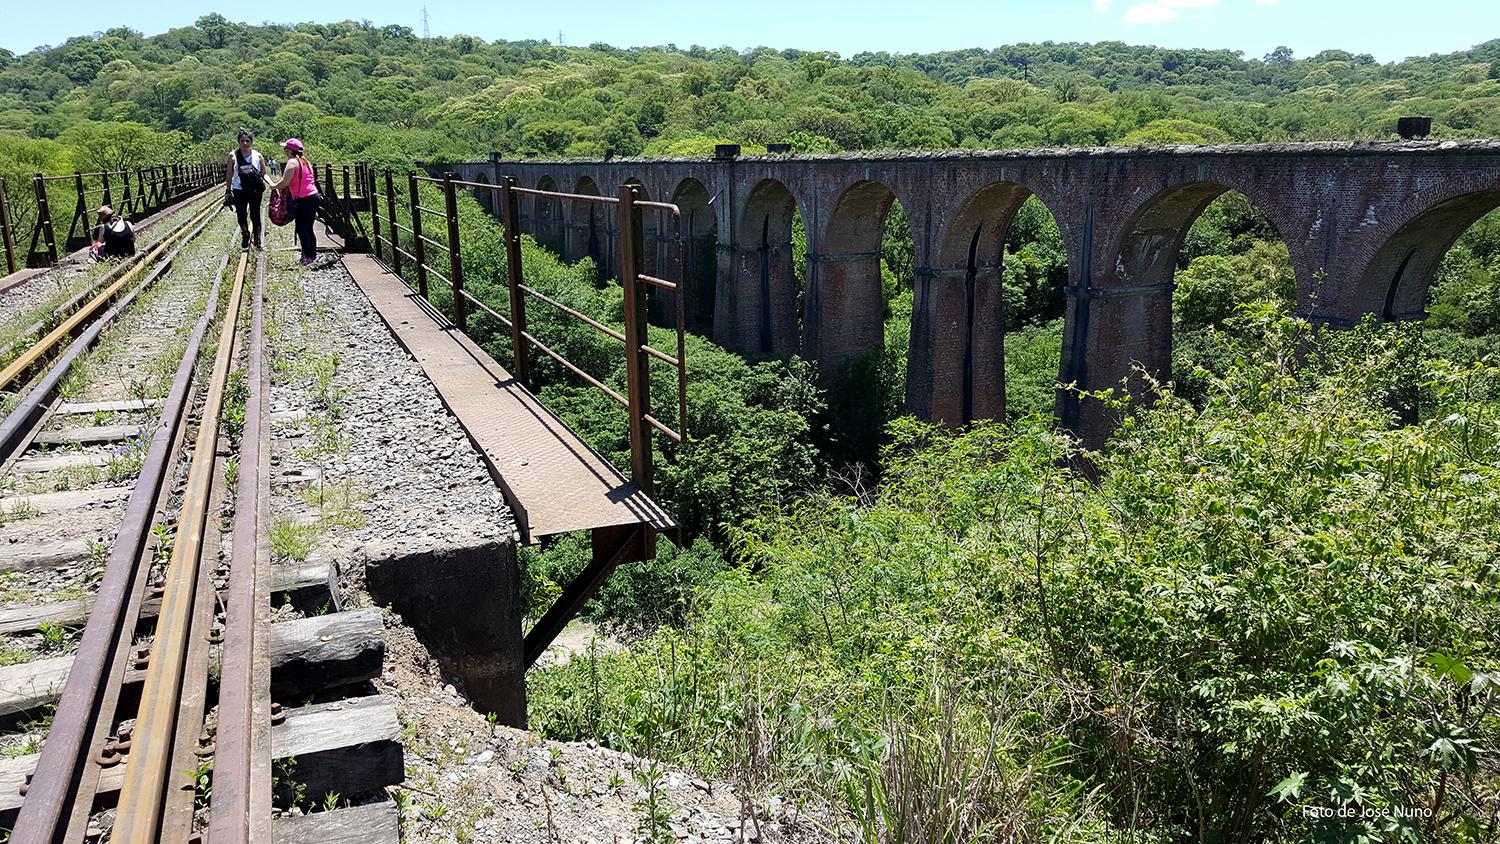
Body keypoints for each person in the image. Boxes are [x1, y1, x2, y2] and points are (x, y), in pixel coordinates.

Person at [269, 138, 320, 266]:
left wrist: (274, 186)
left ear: (290, 150)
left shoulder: (292, 162)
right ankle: (311, 256)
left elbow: (285, 182)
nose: (285, 151)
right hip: (313, 196)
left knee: (302, 229)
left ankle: (307, 257)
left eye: (285, 149)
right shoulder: (305, 161)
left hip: (303, 198)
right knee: (308, 228)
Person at [225, 128, 266, 250]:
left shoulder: (258, 156)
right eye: (242, 141)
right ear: (238, 141)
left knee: (255, 215)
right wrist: (228, 190)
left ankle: (258, 239)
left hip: (255, 191)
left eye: (247, 140)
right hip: (239, 189)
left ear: (251, 142)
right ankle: (245, 234)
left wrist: (273, 185)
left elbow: (264, 173)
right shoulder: (233, 156)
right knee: (241, 214)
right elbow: (229, 174)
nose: (245, 143)